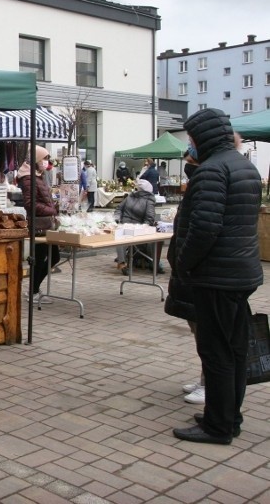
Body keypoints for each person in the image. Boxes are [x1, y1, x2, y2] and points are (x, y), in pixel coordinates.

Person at [171, 108, 263, 445]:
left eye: (193, 138)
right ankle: (228, 416)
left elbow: (204, 228)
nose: (191, 144)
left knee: (216, 352)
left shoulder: (211, 171)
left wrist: (185, 263)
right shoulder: (244, 167)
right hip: (241, 272)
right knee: (236, 349)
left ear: (203, 137)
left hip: (216, 276)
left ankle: (218, 426)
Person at [166, 145, 204, 405]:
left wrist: (184, 260)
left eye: (190, 160)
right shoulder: (197, 184)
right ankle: (205, 378)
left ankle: (209, 382)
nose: (187, 164)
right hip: (187, 270)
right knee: (196, 326)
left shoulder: (209, 181)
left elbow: (203, 230)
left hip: (201, 271)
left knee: (207, 331)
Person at [18, 145, 60, 305]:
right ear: (36, 160)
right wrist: (50, 209)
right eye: (44, 159)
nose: (46, 162)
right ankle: (33, 291)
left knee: (53, 257)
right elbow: (30, 204)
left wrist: (54, 207)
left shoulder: (37, 176)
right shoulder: (28, 178)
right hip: (39, 226)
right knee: (43, 257)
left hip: (47, 225)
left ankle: (34, 289)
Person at [112, 179, 156, 274]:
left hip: (138, 227)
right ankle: (122, 263)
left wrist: (143, 227)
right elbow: (119, 209)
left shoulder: (149, 200)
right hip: (124, 224)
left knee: (122, 235)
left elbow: (149, 218)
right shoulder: (130, 197)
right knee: (120, 235)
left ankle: (124, 261)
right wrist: (117, 218)